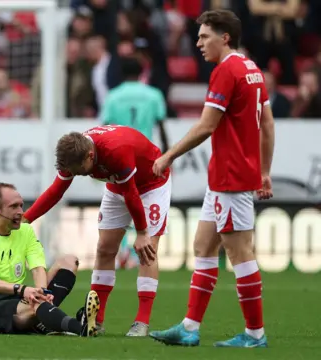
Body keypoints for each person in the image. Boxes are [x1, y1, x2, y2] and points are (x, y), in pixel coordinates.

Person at [149, 9, 275, 348]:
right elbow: (268, 122)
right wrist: (264, 171)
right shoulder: (251, 69)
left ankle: (255, 335)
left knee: (240, 255)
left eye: (205, 37)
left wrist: (169, 154)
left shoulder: (226, 71)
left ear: (225, 37)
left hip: (231, 178)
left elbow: (207, 125)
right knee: (203, 246)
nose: (198, 42)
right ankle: (189, 328)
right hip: (227, 176)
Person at [23, 125, 170, 337]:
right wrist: (26, 219)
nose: (77, 175)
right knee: (104, 249)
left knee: (147, 250)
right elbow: (56, 191)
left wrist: (141, 232)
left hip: (151, 184)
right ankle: (96, 320)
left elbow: (132, 194)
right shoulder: (73, 152)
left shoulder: (116, 151)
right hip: (118, 184)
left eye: (79, 171)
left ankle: (141, 322)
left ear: (90, 156)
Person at [0, 182, 100, 336]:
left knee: (69, 261)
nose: (21, 212)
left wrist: (42, 292)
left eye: (21, 206)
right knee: (34, 305)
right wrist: (22, 290)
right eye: (14, 207)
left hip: (18, 298)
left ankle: (43, 320)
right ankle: (79, 327)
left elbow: (38, 267)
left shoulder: (25, 231)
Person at [99, 56, 169, 271]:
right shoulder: (153, 94)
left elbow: (105, 127)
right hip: (145, 158)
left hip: (118, 159)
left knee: (121, 203)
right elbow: (161, 127)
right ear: (142, 73)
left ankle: (123, 253)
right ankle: (139, 251)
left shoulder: (113, 96)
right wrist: (166, 155)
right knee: (142, 204)